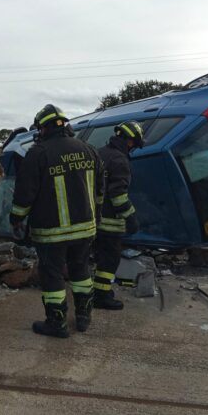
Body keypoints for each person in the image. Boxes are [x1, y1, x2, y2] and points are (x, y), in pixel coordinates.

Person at [10, 104, 104, 337]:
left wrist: (16, 219)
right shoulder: (89, 149)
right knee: (81, 270)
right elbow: (100, 191)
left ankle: (56, 323)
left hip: (52, 232)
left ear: (43, 128)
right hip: (85, 229)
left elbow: (25, 194)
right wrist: (96, 217)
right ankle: (83, 317)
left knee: (52, 274)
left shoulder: (38, 153)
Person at [94, 121, 144, 309]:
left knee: (98, 257)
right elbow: (118, 196)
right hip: (109, 223)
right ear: (130, 141)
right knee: (109, 260)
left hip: (92, 219)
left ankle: (98, 291)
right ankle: (101, 295)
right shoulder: (120, 160)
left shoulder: (99, 153)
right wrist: (131, 219)